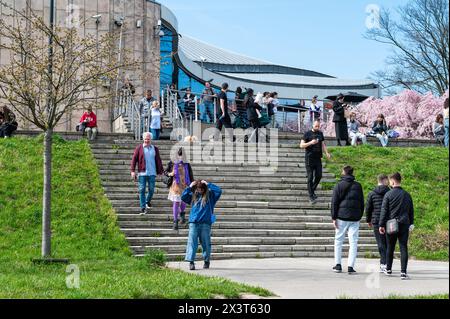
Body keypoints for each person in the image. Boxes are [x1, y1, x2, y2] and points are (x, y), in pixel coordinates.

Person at [379, 173, 414, 280]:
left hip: (391, 224)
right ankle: (403, 272)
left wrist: (381, 224)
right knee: (403, 247)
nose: (389, 183)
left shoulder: (388, 195)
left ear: (393, 181)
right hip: (404, 224)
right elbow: (411, 211)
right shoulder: (407, 195)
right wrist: (411, 223)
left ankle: (388, 269)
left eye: (390, 181)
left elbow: (384, 211)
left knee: (390, 246)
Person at [182, 180, 222, 271]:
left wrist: (209, 184)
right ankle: (191, 262)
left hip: (205, 224)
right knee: (192, 242)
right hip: (194, 223)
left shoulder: (211, 197)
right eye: (198, 188)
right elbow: (183, 197)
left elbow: (219, 191)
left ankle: (206, 260)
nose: (199, 190)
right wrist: (190, 186)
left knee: (206, 243)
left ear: (204, 189)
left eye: (201, 189)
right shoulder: (193, 196)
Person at [331, 166, 364, 274]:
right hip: (355, 218)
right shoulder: (358, 186)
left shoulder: (339, 185)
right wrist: (359, 215)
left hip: (341, 217)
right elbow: (362, 202)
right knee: (353, 242)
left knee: (338, 241)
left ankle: (338, 265)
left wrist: (333, 217)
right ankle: (350, 266)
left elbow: (334, 202)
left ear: (344, 172)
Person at [130, 132, 164, 215]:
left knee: (151, 190)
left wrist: (161, 171)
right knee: (142, 190)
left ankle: (147, 201)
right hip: (142, 173)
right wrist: (132, 171)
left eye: (148, 139)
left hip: (152, 173)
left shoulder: (155, 149)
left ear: (150, 139)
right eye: (145, 139)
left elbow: (158, 160)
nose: (146, 140)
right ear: (143, 139)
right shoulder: (139, 148)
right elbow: (134, 160)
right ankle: (143, 207)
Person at [300, 120, 331, 203]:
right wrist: (311, 142)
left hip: (318, 158)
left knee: (319, 175)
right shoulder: (307, 134)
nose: (317, 127)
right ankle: (311, 196)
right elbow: (301, 145)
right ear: (313, 125)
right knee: (310, 177)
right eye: (316, 126)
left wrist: (327, 153)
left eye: (318, 126)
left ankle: (312, 191)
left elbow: (323, 144)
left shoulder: (320, 133)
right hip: (309, 158)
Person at [365, 174, 390, 272]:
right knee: (388, 242)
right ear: (384, 180)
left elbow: (368, 208)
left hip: (376, 221)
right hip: (388, 221)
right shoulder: (390, 192)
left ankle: (383, 263)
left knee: (380, 243)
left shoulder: (372, 193)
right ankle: (387, 263)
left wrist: (368, 220)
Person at [166, 148, 194, 230]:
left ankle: (182, 213)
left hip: (185, 185)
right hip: (175, 185)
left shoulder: (187, 164)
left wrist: (192, 183)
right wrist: (170, 174)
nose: (180, 157)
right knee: (176, 202)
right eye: (179, 155)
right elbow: (165, 172)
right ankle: (175, 221)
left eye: (182, 156)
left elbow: (190, 174)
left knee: (183, 202)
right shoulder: (172, 163)